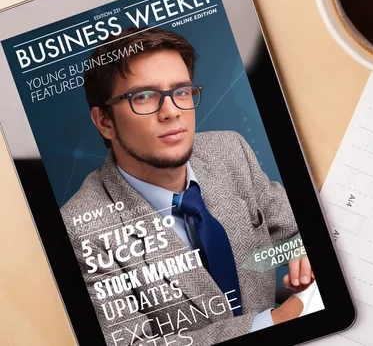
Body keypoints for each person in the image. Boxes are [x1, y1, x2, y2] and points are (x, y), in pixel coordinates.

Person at [60, 28, 314, 345]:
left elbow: (298, 228)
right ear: (105, 122)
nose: (171, 112)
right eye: (143, 96)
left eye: (180, 91)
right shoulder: (80, 229)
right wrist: (271, 323)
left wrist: (304, 253)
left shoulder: (231, 150)